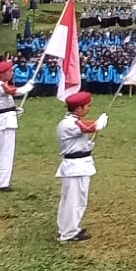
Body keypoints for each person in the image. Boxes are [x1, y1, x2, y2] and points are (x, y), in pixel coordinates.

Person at [55, 91, 105, 242]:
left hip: (78, 165)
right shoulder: (70, 123)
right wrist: (100, 122)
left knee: (72, 199)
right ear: (78, 108)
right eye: (87, 106)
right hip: (75, 166)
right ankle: (69, 233)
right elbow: (89, 128)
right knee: (75, 201)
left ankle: (69, 228)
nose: (88, 109)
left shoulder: (72, 121)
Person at [0, 59, 32, 190]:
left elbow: (3, 104)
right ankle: (1, 183)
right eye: (10, 71)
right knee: (5, 152)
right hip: (4, 122)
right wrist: (28, 87)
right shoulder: (0, 85)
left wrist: (14, 110)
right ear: (1, 74)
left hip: (3, 118)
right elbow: (14, 91)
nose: (12, 73)